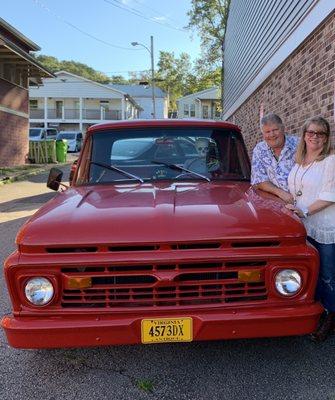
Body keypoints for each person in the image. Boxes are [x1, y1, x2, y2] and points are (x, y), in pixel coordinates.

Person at [285, 116, 335, 341]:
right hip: (305, 228)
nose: (315, 137)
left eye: (321, 133)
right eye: (311, 132)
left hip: (325, 228)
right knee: (311, 274)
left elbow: (329, 195)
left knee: (327, 276)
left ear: (326, 138)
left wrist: (304, 210)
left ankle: (331, 317)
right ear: (304, 135)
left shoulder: (330, 161)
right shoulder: (299, 162)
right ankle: (316, 312)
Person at [251, 113, 299, 203]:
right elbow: (259, 179)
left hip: (302, 201)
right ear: (263, 134)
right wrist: (280, 193)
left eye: (275, 130)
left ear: (283, 128)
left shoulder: (299, 144)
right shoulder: (259, 150)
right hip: (274, 204)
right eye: (267, 132)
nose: (272, 134)